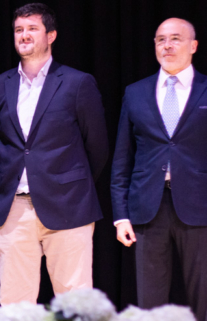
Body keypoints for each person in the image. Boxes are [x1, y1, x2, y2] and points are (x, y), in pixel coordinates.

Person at [0, 3, 108, 305]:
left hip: (69, 204)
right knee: (14, 304)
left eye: (32, 29)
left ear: (51, 35)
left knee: (75, 300)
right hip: (14, 209)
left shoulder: (77, 83)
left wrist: (66, 185)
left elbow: (98, 147)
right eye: (18, 30)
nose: (24, 35)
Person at [111, 18, 206, 320]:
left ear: (193, 46)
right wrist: (120, 216)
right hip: (148, 208)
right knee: (150, 305)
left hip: (200, 207)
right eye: (160, 39)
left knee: (204, 299)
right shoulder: (135, 92)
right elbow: (122, 158)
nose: (167, 45)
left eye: (175, 38)